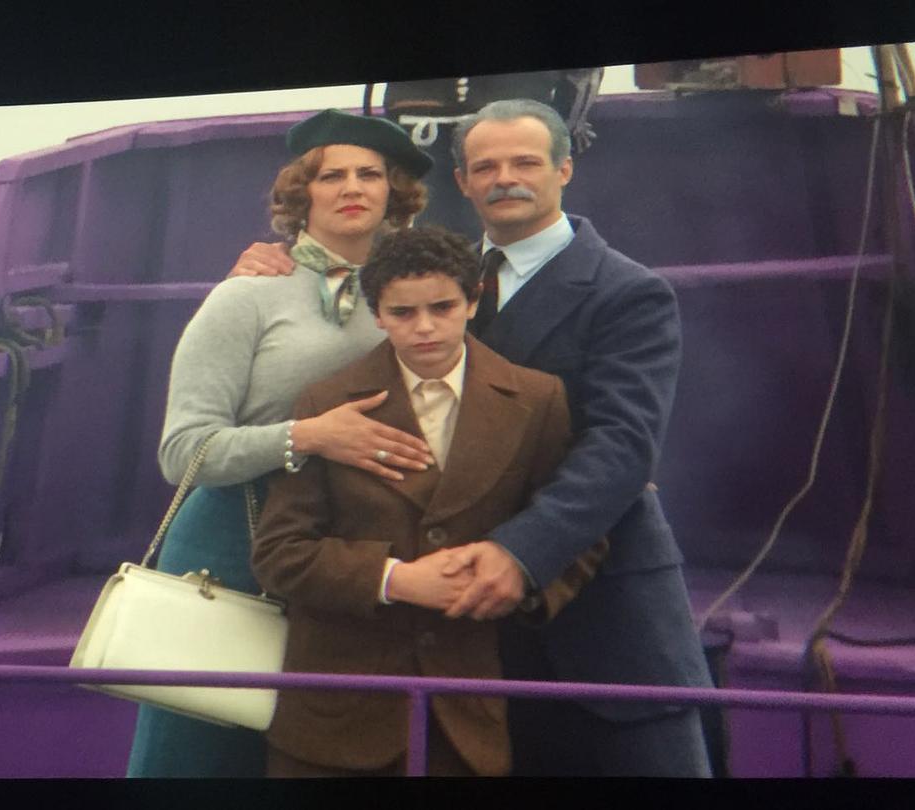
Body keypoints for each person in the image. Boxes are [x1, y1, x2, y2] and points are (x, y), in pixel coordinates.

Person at [229, 98, 713, 777]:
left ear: (565, 169)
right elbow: (354, 274)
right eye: (485, 166)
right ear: (462, 181)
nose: (504, 178)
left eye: (525, 162)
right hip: (463, 643)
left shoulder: (628, 293)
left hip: (592, 609)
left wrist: (520, 554)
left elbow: (622, 450)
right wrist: (277, 261)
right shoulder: (440, 277)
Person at [125, 109, 437, 778]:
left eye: (369, 174)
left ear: (394, 192)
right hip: (232, 551)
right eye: (331, 176)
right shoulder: (247, 296)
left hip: (344, 559)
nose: (351, 188)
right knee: (199, 758)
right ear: (303, 193)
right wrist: (311, 436)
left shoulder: (412, 298)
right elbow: (184, 451)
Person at [249, 225, 609, 777]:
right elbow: (279, 554)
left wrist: (519, 575)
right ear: (377, 314)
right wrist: (396, 579)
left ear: (473, 301)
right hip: (333, 722)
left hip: (464, 719)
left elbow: (579, 532)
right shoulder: (326, 401)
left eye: (442, 307)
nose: (424, 328)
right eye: (402, 312)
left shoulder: (538, 399)